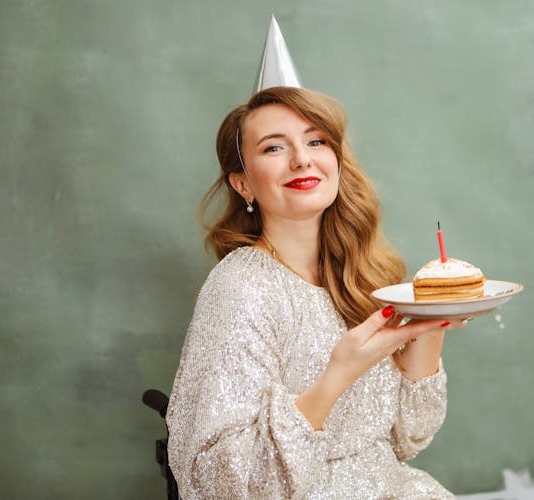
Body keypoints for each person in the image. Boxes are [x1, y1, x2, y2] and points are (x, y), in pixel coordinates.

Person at [166, 86, 463, 499]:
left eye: (316, 140)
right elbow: (219, 481)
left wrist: (433, 325)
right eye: (273, 148)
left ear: (337, 161)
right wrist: (336, 375)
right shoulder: (242, 288)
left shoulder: (365, 273)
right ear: (243, 183)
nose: (302, 158)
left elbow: (406, 438)